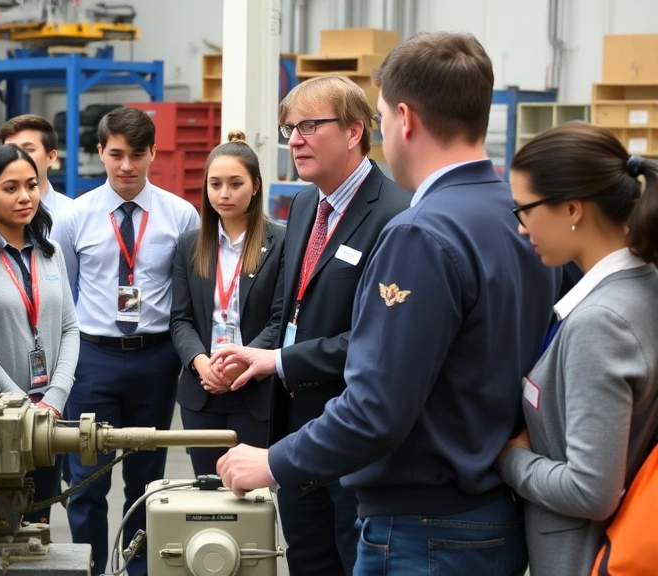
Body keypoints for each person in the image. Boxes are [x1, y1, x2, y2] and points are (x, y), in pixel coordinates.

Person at [216, 31, 562, 576]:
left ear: (404, 118)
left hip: (423, 529)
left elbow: (377, 407)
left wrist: (273, 462)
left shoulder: (419, 233)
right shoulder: (516, 217)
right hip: (491, 511)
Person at [209, 76, 410, 575]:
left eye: (310, 126)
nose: (295, 139)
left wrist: (279, 359)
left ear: (354, 131)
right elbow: (288, 311)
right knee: (307, 557)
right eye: (289, 128)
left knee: (352, 557)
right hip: (292, 427)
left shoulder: (397, 214)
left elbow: (378, 341)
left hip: (352, 430)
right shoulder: (302, 205)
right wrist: (256, 353)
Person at [497, 124, 658, 576]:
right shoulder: (643, 286)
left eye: (525, 209)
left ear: (572, 209)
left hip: (584, 558)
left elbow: (591, 489)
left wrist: (511, 460)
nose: (520, 224)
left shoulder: (601, 322)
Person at [55, 106, 200, 576]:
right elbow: (65, 297)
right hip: (92, 359)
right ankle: (93, 569)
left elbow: (188, 295)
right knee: (87, 479)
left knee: (146, 478)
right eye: (115, 154)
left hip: (155, 360)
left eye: (137, 154)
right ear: (100, 152)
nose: (126, 166)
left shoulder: (181, 216)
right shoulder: (75, 217)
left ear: (153, 153)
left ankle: (138, 570)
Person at [0, 144, 79, 524]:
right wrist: (19, 403)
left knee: (38, 524)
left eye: (31, 185)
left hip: (46, 417)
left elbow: (70, 328)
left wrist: (54, 398)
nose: (24, 197)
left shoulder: (50, 251)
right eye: (10, 188)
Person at [169, 130, 286, 476]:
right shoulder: (190, 245)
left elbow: (280, 320)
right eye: (215, 184)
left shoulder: (281, 241)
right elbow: (181, 320)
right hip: (202, 391)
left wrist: (241, 363)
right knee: (207, 491)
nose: (224, 193)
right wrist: (201, 362)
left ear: (256, 186)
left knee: (250, 497)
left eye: (235, 183)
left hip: (255, 392)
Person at [0, 114, 74, 230]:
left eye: (28, 150)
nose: (18, 156)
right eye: (10, 150)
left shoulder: (73, 214)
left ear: (51, 157)